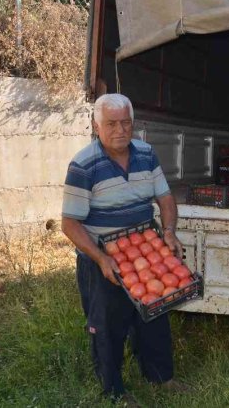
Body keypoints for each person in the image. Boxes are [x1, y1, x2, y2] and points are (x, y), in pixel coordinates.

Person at [61, 93, 188, 400]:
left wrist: (168, 231)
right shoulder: (83, 165)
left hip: (146, 246)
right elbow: (70, 224)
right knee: (107, 325)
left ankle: (161, 377)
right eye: (111, 123)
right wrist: (101, 258)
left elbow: (166, 198)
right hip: (102, 255)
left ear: (134, 124)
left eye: (126, 122)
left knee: (154, 315)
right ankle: (113, 391)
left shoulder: (146, 154)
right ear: (96, 125)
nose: (120, 130)